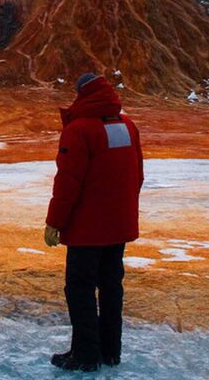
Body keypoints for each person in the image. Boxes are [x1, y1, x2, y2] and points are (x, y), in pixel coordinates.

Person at [44, 73, 144, 372]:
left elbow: (68, 183)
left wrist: (54, 222)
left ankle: (85, 354)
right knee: (112, 286)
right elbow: (137, 175)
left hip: (87, 231)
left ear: (82, 95)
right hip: (118, 227)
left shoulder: (79, 130)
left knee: (80, 289)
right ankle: (110, 351)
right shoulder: (128, 126)